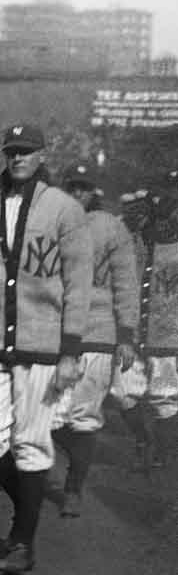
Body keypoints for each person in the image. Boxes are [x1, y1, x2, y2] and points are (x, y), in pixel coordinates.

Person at [0, 123, 92, 575]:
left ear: (41, 155)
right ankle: (26, 504)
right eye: (12, 151)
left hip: (44, 344)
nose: (18, 159)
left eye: (26, 152)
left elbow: (77, 284)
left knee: (30, 443)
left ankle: (23, 542)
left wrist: (71, 350)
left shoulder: (64, 209)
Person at [51, 162, 138, 517]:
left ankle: (74, 487)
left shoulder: (112, 227)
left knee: (83, 417)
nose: (76, 194)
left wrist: (126, 335)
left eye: (83, 188)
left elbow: (126, 283)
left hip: (97, 332)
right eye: (71, 186)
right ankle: (70, 462)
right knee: (41, 415)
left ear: (94, 192)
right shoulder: (52, 222)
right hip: (53, 332)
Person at [111, 170, 178, 468]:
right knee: (121, 392)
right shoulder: (134, 239)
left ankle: (163, 453)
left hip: (169, 334)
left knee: (165, 398)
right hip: (133, 332)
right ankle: (144, 438)